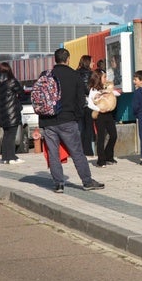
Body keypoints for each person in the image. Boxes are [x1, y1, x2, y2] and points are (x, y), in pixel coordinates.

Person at [38, 48, 104, 192]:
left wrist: (42, 123)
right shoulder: (74, 75)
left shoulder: (46, 75)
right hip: (68, 120)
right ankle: (87, 181)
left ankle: (59, 184)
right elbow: (81, 100)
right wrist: (77, 118)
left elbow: (41, 99)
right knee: (77, 152)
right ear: (68, 59)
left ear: (55, 59)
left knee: (53, 154)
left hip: (48, 121)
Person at [0, 62, 24, 164]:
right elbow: (22, 93)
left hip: (2, 112)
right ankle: (11, 157)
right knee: (11, 136)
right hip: (12, 112)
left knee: (6, 135)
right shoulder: (12, 81)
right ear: (9, 69)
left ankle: (5, 157)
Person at [87, 69, 120, 167]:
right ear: (98, 78)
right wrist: (99, 109)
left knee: (113, 135)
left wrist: (109, 92)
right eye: (104, 77)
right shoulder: (93, 90)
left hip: (109, 114)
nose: (106, 79)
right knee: (101, 137)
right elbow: (90, 104)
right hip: (100, 115)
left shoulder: (106, 87)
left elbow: (117, 93)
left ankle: (109, 156)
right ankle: (101, 161)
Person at [77, 55, 95, 156]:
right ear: (88, 62)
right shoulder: (91, 74)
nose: (93, 63)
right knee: (88, 128)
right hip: (88, 104)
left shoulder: (75, 73)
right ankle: (88, 151)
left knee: (80, 128)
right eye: (92, 61)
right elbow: (89, 90)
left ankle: (80, 151)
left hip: (78, 104)